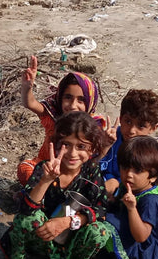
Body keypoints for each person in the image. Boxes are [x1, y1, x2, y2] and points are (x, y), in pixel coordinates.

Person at [1, 112, 137, 259]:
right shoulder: (44, 168)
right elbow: (25, 210)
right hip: (40, 238)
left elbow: (101, 209)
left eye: (81, 146)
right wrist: (45, 181)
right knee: (27, 219)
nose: (73, 153)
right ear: (55, 146)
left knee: (101, 231)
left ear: (92, 149)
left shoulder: (91, 173)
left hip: (69, 242)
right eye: (66, 145)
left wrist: (69, 222)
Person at [17, 55, 107, 185]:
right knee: (25, 169)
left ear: (90, 102)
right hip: (46, 169)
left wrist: (108, 144)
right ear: (60, 97)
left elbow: (94, 159)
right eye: (68, 98)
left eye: (81, 100)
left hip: (75, 173)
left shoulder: (93, 127)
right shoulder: (53, 115)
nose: (72, 105)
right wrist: (27, 87)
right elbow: (30, 103)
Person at [105, 136, 158, 259]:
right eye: (124, 167)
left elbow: (141, 236)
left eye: (138, 171)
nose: (129, 174)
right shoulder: (127, 187)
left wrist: (132, 208)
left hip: (145, 251)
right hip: (131, 235)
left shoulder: (151, 200)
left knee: (110, 222)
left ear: (153, 176)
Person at [100, 89, 158, 197]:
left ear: (153, 128)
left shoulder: (151, 153)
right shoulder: (110, 137)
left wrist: (117, 185)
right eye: (128, 121)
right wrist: (105, 147)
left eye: (141, 126)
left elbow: (149, 183)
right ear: (120, 119)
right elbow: (94, 165)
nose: (132, 130)